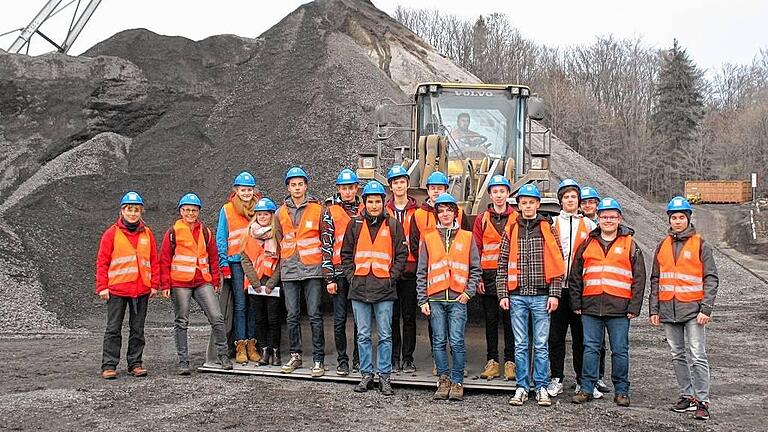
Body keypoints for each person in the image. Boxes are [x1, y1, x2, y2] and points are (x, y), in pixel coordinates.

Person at [570, 198, 646, 407]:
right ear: (598, 218)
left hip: (619, 309)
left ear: (619, 218)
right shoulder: (587, 243)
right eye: (604, 216)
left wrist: (634, 307)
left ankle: (621, 390)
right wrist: (577, 302)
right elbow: (576, 275)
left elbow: (639, 278)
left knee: (620, 350)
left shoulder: (630, 244)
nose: (608, 220)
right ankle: (586, 388)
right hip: (591, 307)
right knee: (590, 349)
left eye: (612, 217)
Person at [649, 196, 718, 421]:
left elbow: (711, 278)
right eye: (674, 217)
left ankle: (702, 401)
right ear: (669, 219)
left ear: (688, 218)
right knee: (677, 355)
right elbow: (656, 279)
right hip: (669, 311)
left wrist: (706, 309)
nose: (677, 221)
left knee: (697, 355)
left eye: (681, 217)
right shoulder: (662, 246)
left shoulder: (700, 244)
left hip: (694, 311)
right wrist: (654, 309)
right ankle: (687, 396)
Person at [497, 184, 566, 407]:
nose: (527, 206)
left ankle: (541, 387)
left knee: (541, 344)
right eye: (523, 203)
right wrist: (503, 294)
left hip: (542, 296)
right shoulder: (511, 229)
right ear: (519, 206)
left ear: (538, 204)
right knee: (520, 345)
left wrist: (555, 294)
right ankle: (521, 387)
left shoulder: (547, 229)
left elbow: (557, 263)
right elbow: (502, 263)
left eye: (531, 202)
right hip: (516, 296)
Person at [341, 181, 408, 395]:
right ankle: (366, 375)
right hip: (359, 287)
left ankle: (384, 376)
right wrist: (351, 277)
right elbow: (345, 254)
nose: (374, 205)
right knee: (362, 335)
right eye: (370, 201)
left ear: (383, 202)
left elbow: (401, 254)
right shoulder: (355, 224)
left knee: (386, 335)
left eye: (377, 201)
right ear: (365, 202)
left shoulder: (393, 225)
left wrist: (392, 277)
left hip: (384, 288)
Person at [417, 193, 482, 401]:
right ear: (437, 214)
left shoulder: (467, 237)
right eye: (441, 210)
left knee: (456, 341)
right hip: (435, 298)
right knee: (438, 341)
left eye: (449, 210)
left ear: (455, 213)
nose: (445, 214)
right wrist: (422, 299)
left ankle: (457, 381)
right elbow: (422, 271)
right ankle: (443, 379)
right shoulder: (428, 238)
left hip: (457, 299)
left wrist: (468, 293)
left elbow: (475, 269)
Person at [160, 193, 231, 375]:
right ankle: (184, 361)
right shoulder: (173, 232)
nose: (190, 213)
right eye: (187, 210)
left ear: (198, 211)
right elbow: (165, 259)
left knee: (216, 317)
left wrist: (215, 280)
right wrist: (165, 284)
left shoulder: (205, 232)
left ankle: (223, 355)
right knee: (182, 321)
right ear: (181, 211)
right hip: (180, 282)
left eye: (194, 210)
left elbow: (213, 257)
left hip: (202, 281)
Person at [95, 191, 160, 379]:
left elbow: (153, 260)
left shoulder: (147, 234)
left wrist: (154, 284)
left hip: (141, 290)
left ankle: (135, 364)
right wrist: (102, 287)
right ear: (122, 211)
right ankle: (109, 365)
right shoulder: (111, 234)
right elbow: (102, 262)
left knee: (138, 329)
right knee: (113, 328)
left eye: (136, 210)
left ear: (141, 212)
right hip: (117, 290)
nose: (132, 213)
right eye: (129, 209)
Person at [547, 179, 602, 398]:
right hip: (557, 289)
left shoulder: (589, 226)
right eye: (566, 197)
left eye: (574, 197)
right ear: (560, 200)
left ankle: (583, 380)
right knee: (556, 336)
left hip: (580, 291)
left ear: (579, 201)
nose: (570, 200)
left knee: (581, 338)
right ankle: (556, 377)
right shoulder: (552, 223)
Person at [276, 166, 326, 377]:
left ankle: (318, 359)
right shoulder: (280, 212)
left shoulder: (318, 210)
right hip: (289, 269)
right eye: (293, 185)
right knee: (292, 315)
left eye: (300, 184)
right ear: (288, 187)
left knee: (315, 315)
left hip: (313, 268)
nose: (297, 188)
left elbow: (325, 237)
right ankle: (295, 355)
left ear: (306, 186)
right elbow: (279, 237)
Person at [471, 174, 516, 381]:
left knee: (510, 321)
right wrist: (478, 277)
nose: (499, 195)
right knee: (491, 320)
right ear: (490, 194)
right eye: (495, 192)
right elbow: (477, 249)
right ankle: (492, 361)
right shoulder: (482, 219)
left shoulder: (517, 218)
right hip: (488, 276)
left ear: (508, 194)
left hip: (510, 276)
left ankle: (510, 362)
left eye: (502, 191)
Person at [216, 171, 262, 365]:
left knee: (253, 304)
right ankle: (240, 345)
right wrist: (224, 264)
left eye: (249, 189)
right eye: (243, 189)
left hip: (254, 263)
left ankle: (252, 344)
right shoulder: (226, 210)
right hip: (235, 263)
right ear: (236, 190)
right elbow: (221, 237)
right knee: (241, 305)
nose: (246, 193)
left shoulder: (260, 208)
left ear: (254, 191)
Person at [321, 168, 362, 376]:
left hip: (359, 273)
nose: (347, 192)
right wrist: (329, 276)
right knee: (339, 319)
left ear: (356, 188)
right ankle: (342, 360)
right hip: (338, 272)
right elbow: (326, 245)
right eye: (344, 188)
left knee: (359, 319)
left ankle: (357, 359)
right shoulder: (330, 212)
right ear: (339, 189)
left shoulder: (364, 210)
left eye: (351, 188)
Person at [385, 165, 420, 373]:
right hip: (389, 270)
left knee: (409, 317)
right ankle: (393, 357)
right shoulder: (384, 210)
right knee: (391, 316)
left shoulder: (417, 212)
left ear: (407, 184)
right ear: (390, 186)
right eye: (395, 182)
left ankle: (407, 358)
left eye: (402, 182)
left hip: (409, 270)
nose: (399, 186)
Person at [240, 197, 283, 367]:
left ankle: (275, 351)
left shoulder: (277, 235)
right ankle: (264, 350)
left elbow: (281, 260)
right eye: (260, 214)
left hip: (272, 284)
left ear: (271, 215)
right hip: (255, 286)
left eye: (266, 214)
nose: (263, 217)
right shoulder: (249, 234)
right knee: (259, 319)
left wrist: (271, 283)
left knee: (273, 319)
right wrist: (256, 283)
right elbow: (245, 260)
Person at [578, 185, 610, 390]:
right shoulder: (580, 225)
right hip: (582, 285)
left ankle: (597, 376)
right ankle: (585, 377)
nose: (588, 206)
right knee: (585, 339)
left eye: (592, 202)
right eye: (585, 203)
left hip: (601, 292)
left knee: (599, 341)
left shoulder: (602, 229)